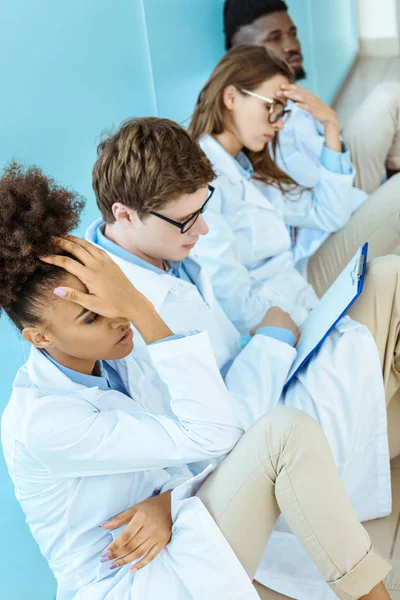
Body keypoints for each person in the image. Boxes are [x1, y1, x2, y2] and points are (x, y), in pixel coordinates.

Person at [0, 163, 391, 600]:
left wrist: (167, 502)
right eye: (92, 316)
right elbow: (214, 432)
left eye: (113, 297)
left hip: (177, 537)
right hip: (132, 583)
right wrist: (143, 309)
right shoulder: (42, 422)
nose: (118, 318)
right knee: (285, 433)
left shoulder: (110, 364)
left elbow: (191, 447)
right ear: (39, 337)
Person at [223, 0, 400, 295]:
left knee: (388, 97)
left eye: (292, 33)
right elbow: (325, 209)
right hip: (315, 256)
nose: (292, 45)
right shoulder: (254, 132)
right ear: (241, 52)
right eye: (275, 38)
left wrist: (330, 127)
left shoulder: (290, 98)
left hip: (337, 196)